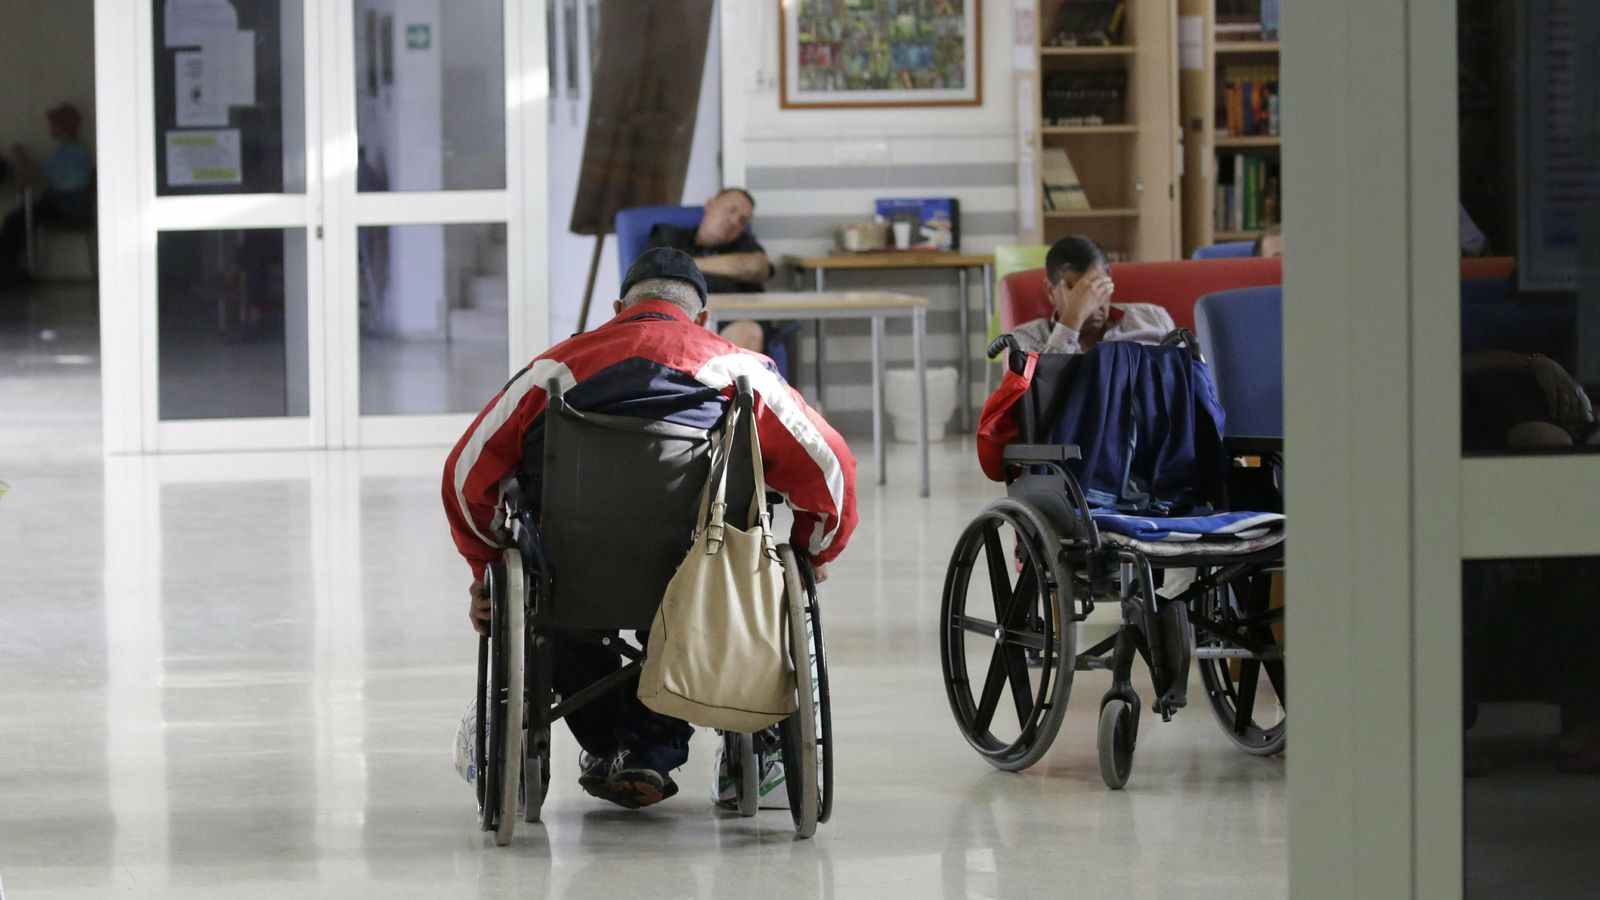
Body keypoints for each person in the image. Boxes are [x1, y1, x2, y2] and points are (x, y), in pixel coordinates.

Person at [442, 247, 858, 810]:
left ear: (618, 307)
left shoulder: (554, 370)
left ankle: (620, 746)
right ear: (702, 317)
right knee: (738, 590)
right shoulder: (741, 372)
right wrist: (812, 551)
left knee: (541, 595)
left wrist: (486, 569)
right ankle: (647, 749)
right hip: (713, 585)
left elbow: (465, 472)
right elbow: (831, 468)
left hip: (573, 581)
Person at [644, 187, 775, 353]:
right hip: (682, 320)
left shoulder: (744, 244)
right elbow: (655, 268)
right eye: (731, 210)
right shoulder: (670, 236)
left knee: (748, 331)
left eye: (742, 220)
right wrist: (729, 266)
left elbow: (755, 267)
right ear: (710, 204)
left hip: (733, 321)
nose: (735, 221)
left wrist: (686, 263)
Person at [1006, 234, 1175, 355]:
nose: (1091, 304)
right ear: (1050, 291)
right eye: (1078, 292)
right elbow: (1042, 395)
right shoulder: (1026, 338)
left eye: (1097, 287)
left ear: (1109, 280)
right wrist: (1073, 319)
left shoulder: (1153, 317)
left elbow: (1188, 380)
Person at [0, 104, 94, 286]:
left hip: (66, 206)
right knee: (22, 218)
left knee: (16, 220)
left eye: (53, 125)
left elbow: (36, 175)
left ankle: (6, 272)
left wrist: (21, 155)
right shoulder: (81, 149)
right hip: (76, 205)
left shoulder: (69, 151)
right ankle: (11, 270)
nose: (50, 129)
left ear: (62, 127)